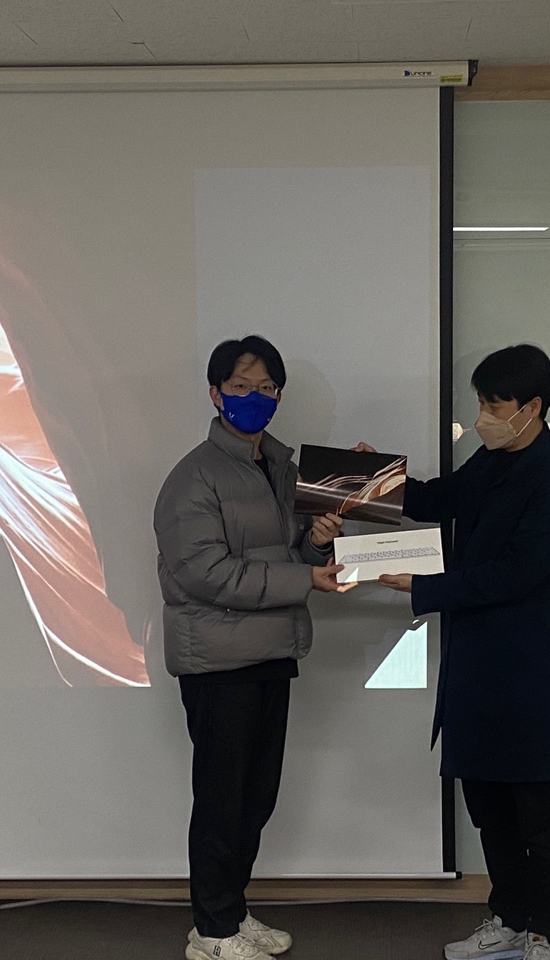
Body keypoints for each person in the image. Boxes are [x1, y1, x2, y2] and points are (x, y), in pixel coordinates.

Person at [364, 343, 550, 960]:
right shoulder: (491, 459)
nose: (483, 415)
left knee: (536, 814)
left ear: (532, 408)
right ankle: (508, 918)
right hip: (474, 666)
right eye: (481, 402)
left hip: (526, 670)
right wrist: (372, 478)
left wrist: (425, 588)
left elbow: (517, 575)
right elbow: (439, 499)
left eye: (495, 404)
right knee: (487, 808)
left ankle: (545, 935)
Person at [154, 335, 352, 960]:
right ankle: (212, 932)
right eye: (241, 387)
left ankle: (231, 914)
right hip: (218, 661)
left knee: (255, 797)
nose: (254, 398)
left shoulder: (282, 468)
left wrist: (320, 538)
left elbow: (294, 553)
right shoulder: (194, 477)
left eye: (266, 388)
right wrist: (305, 577)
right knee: (223, 799)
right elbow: (204, 573)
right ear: (215, 394)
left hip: (271, 651)